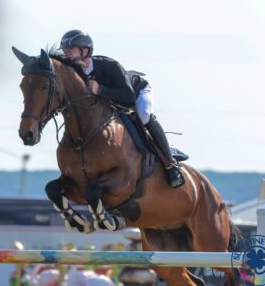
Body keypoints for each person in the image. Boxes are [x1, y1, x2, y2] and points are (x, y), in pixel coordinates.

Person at [60, 29, 184, 188]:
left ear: (85, 51)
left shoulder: (109, 65)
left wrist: (101, 90)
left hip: (137, 91)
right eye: (65, 52)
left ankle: (170, 165)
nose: (66, 55)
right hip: (110, 103)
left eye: (70, 51)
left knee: (144, 115)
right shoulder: (74, 74)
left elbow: (128, 97)